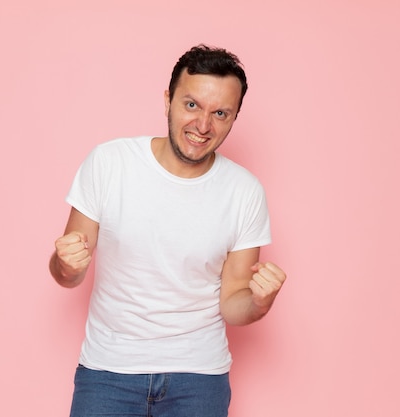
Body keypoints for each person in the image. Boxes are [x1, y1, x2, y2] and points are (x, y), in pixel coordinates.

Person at [49, 44, 287, 417]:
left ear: (234, 118)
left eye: (220, 113)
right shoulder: (110, 163)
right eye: (191, 105)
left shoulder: (245, 192)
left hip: (198, 377)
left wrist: (259, 302)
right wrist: (67, 264)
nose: (203, 126)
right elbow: (66, 273)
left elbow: (233, 302)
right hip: (109, 370)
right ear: (168, 101)